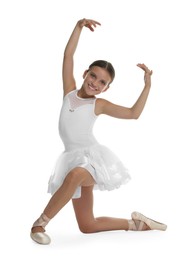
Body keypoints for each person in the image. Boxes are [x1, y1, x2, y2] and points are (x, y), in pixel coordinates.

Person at [30, 18, 167, 245]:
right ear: (85, 73)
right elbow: (68, 57)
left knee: (74, 175)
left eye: (102, 82)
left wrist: (147, 87)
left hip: (91, 159)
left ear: (106, 88)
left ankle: (40, 223)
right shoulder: (69, 93)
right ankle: (137, 224)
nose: (95, 83)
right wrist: (78, 27)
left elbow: (134, 113)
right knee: (87, 226)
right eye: (93, 76)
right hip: (71, 156)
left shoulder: (98, 105)